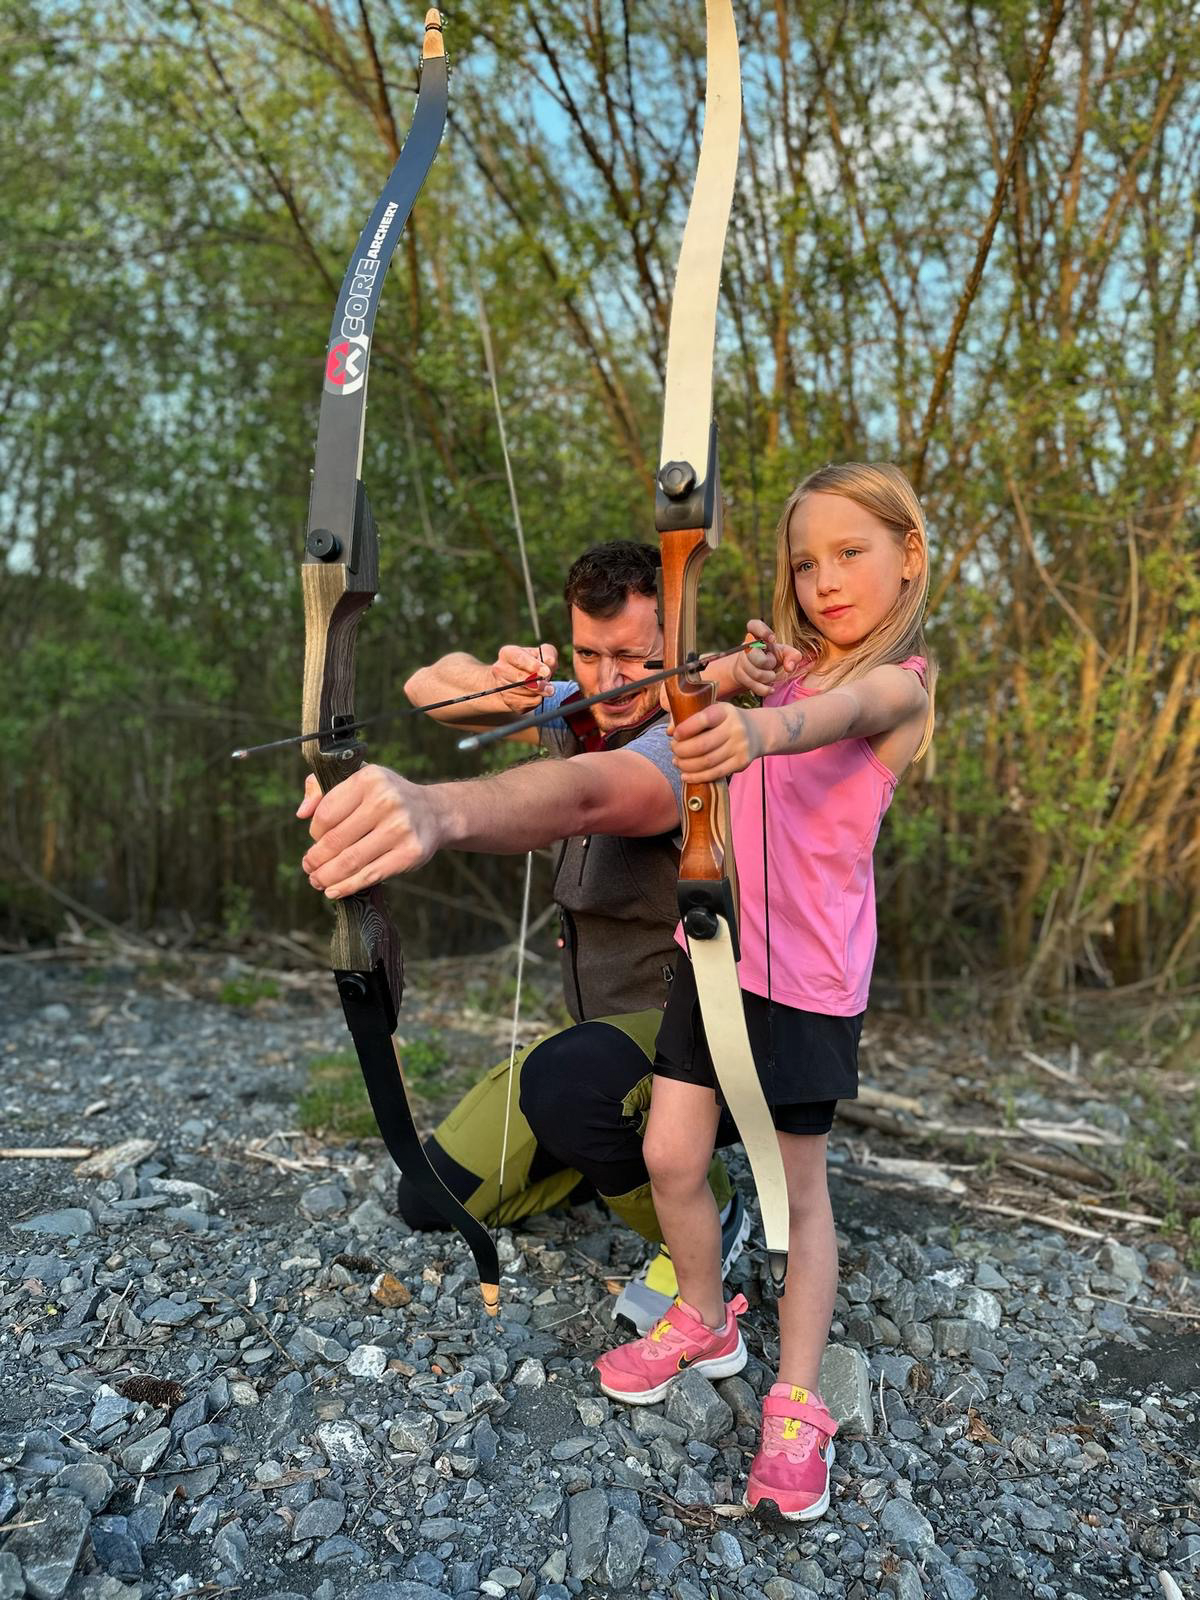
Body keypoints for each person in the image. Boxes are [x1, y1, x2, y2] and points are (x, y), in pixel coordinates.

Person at [298, 541, 771, 1328]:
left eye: (634, 658)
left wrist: (437, 811)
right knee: (429, 1197)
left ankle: (712, 1216)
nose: (609, 681)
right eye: (588, 653)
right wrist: (498, 681)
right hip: (602, 1052)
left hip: (703, 1050)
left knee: (566, 1085)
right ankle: (602, 1151)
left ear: (680, 645)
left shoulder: (697, 737)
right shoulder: (578, 707)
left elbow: (588, 796)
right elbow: (426, 687)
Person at [592, 463, 936, 1524]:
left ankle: (797, 1399)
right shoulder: (785, 673)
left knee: (796, 1198)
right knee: (670, 1155)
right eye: (804, 562)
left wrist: (757, 725)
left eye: (850, 553)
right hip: (718, 956)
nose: (823, 580)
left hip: (810, 983)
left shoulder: (901, 686)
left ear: (908, 556)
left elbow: (837, 716)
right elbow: (707, 690)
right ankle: (704, 1314)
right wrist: (735, 677)